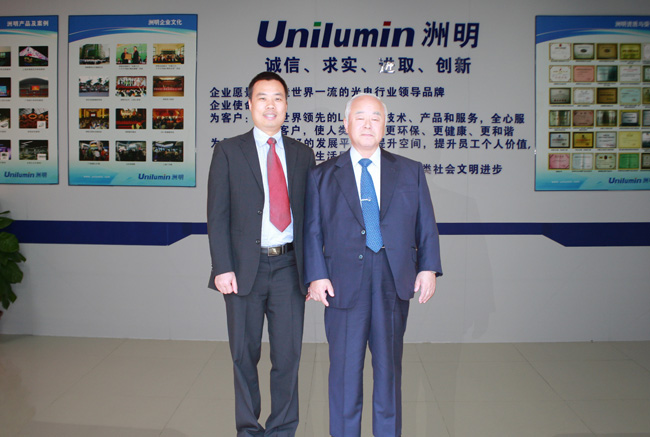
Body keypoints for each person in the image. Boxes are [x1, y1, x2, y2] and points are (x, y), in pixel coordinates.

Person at [303, 94, 442, 437]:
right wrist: (316, 275)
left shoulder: (409, 170)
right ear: (346, 124)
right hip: (342, 283)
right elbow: (312, 230)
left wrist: (428, 268)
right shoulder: (322, 175)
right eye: (360, 117)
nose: (368, 124)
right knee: (344, 376)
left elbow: (426, 223)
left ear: (384, 125)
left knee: (389, 374)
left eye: (375, 118)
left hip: (393, 280)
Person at [207, 71, 315, 436]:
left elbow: (311, 219)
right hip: (242, 270)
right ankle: (248, 430)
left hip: (289, 267)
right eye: (263, 98)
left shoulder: (302, 154)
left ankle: (282, 429)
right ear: (250, 104)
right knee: (243, 356)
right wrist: (222, 267)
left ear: (286, 105)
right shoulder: (228, 151)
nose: (271, 105)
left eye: (278, 98)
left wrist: (313, 271)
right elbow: (217, 215)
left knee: (288, 357)